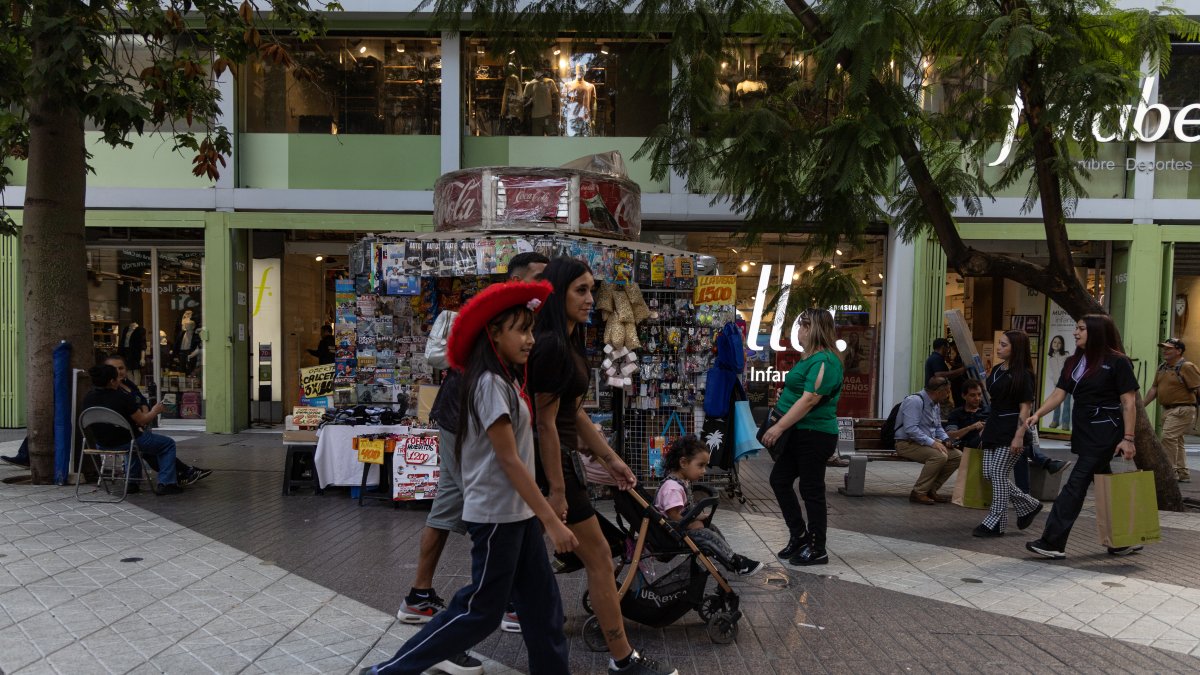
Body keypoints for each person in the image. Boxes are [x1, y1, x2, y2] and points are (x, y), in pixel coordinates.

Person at [363, 279, 574, 675]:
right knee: (479, 611)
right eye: (522, 330)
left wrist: (539, 513)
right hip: (497, 516)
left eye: (531, 329)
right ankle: (390, 671)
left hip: (517, 514)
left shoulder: (505, 379)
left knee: (542, 607)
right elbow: (509, 460)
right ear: (493, 334)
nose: (531, 339)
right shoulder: (490, 383)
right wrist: (550, 519)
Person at [530, 257, 676, 675]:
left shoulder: (569, 341)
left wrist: (611, 459)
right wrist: (558, 490)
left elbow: (573, 413)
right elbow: (544, 423)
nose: (591, 299)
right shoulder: (551, 345)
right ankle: (623, 658)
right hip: (550, 465)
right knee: (597, 558)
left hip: (558, 463)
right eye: (581, 290)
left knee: (515, 564)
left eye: (591, 290)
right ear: (557, 293)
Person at [396, 252, 548, 656]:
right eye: (536, 277)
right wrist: (550, 515)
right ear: (515, 279)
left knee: (452, 506)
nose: (542, 287)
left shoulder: (514, 334)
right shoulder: (492, 329)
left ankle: (426, 598)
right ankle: (439, 606)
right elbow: (506, 460)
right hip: (465, 428)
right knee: (471, 506)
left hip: (468, 433)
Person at [1024, 314, 1141, 560]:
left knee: (1075, 485)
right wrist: (1038, 414)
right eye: (1076, 328)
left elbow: (1129, 403)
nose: (1075, 333)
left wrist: (1128, 438)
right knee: (1104, 483)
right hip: (1084, 429)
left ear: (1097, 332)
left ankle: (1052, 542)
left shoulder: (1118, 362)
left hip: (1105, 431)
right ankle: (1122, 540)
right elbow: (1059, 393)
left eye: (1081, 329)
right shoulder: (1073, 361)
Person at [761, 307, 844, 566]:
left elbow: (809, 400)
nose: (798, 331)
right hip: (799, 432)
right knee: (780, 480)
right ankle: (799, 536)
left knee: (811, 489)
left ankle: (818, 547)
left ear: (812, 329)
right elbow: (801, 393)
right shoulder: (810, 358)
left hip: (815, 434)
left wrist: (778, 427)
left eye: (802, 326)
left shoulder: (826, 361)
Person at [654, 436, 763, 575]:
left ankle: (730, 557)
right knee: (707, 534)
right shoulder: (673, 488)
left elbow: (680, 511)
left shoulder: (679, 482)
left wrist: (695, 516)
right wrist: (691, 523)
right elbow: (673, 516)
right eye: (700, 465)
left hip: (675, 530)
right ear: (683, 463)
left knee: (711, 528)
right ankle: (735, 562)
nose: (704, 471)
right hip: (672, 535)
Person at [103, 354, 211, 488]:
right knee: (160, 446)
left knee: (147, 448)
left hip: (135, 429)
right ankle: (172, 479)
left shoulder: (128, 384)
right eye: (114, 368)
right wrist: (150, 414)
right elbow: (127, 415)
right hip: (127, 433)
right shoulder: (113, 392)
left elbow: (142, 400)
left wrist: (145, 412)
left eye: (121, 368)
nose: (118, 372)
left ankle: (136, 481)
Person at [973, 330, 1043, 537]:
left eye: (1004, 345)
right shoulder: (996, 369)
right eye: (999, 343)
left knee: (998, 473)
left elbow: (1025, 408)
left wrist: (1019, 436)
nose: (998, 348)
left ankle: (995, 521)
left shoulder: (1024, 375)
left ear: (1016, 348)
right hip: (994, 425)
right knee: (989, 473)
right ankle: (1029, 504)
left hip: (1012, 427)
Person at [80, 363, 184, 495]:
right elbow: (142, 420)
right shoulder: (121, 397)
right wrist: (155, 411)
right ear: (111, 381)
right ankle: (167, 483)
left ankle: (132, 482)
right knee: (167, 444)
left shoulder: (88, 398)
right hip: (127, 441)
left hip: (101, 444)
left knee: (131, 445)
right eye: (117, 378)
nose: (119, 381)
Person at [894, 377, 962, 504]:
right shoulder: (914, 401)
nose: (948, 395)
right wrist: (933, 443)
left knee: (957, 456)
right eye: (947, 391)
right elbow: (911, 429)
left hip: (924, 443)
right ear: (938, 392)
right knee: (939, 456)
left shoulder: (935, 404)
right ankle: (918, 492)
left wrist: (946, 439)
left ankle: (931, 489)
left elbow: (937, 427)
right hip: (906, 443)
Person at [1142, 337, 1198, 483]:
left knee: (1168, 437)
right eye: (1164, 348)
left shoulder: (1187, 366)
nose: (1164, 351)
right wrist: (1141, 406)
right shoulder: (1162, 367)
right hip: (1167, 410)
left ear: (1179, 351)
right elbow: (1154, 388)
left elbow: (1198, 387)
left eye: (1168, 348)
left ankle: (1169, 472)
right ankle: (1182, 472)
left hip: (1183, 409)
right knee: (1177, 440)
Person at [945, 380, 987, 449]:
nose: (977, 398)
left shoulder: (989, 411)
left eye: (979, 394)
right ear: (964, 396)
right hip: (966, 449)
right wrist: (970, 428)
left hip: (987, 447)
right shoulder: (956, 414)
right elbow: (950, 436)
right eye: (972, 395)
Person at [1045, 335, 1073, 430]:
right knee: (1056, 403)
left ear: (1062, 345)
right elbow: (1051, 371)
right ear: (1051, 344)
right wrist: (1054, 380)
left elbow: (1071, 369)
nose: (1056, 344)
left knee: (1066, 404)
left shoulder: (1066, 355)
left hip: (1067, 383)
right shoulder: (1050, 358)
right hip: (1057, 384)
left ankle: (1065, 423)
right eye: (1054, 342)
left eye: (1059, 343)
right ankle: (1055, 421)